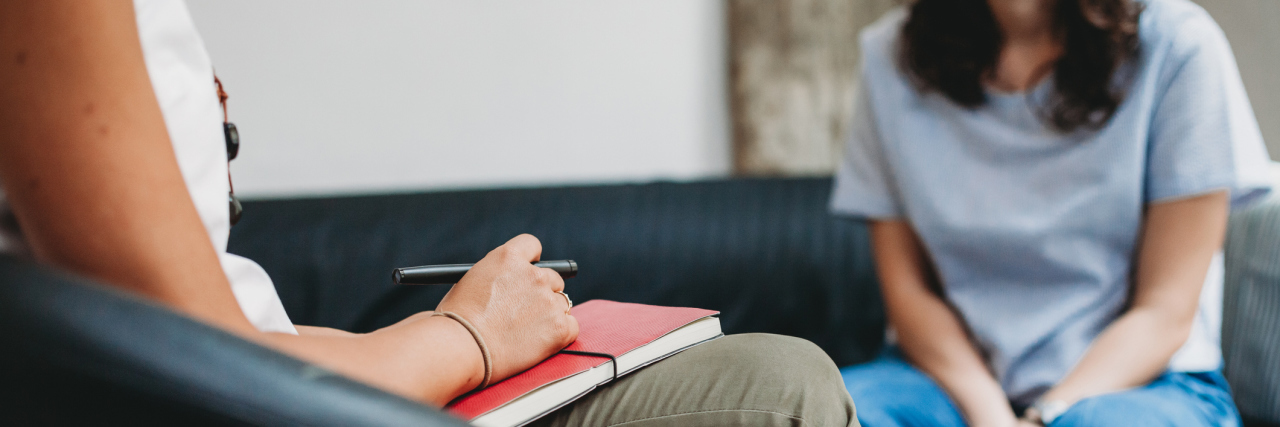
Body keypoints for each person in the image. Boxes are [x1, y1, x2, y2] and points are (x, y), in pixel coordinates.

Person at [0, 1, 858, 425]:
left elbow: (226, 321)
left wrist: (456, 334)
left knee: (779, 376)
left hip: (274, 379)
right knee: (775, 393)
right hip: (257, 401)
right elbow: (194, 363)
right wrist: (467, 339)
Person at [831, 0, 1272, 425]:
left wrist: (1045, 416)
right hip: (945, 382)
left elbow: (1165, 311)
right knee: (827, 412)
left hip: (1142, 385)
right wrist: (991, 417)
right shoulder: (890, 55)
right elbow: (910, 295)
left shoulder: (1179, 45)